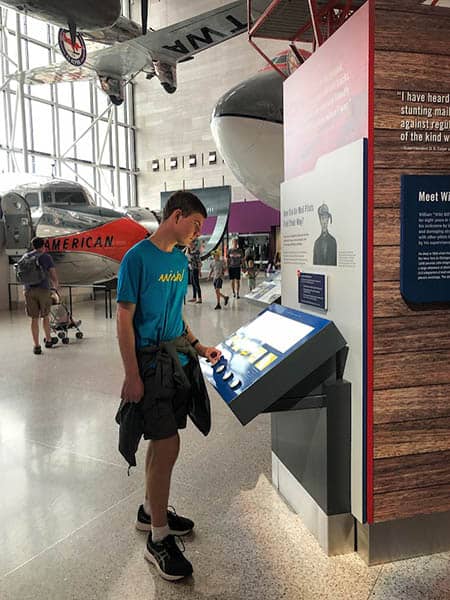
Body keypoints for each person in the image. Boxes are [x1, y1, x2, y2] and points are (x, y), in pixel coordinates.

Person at [116, 190, 221, 582]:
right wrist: (131, 374)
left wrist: (199, 346)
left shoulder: (179, 260)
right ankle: (158, 539)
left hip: (177, 361)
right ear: (176, 216)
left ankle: (149, 511)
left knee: (163, 442)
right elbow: (124, 320)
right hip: (148, 363)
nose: (197, 234)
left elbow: (175, 315)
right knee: (167, 444)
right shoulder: (136, 259)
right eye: (195, 226)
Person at [22, 237, 59, 355]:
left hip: (28, 290)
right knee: (45, 316)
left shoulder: (25, 257)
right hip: (43, 290)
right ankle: (48, 340)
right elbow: (53, 275)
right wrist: (55, 287)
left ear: (33, 246)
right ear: (43, 246)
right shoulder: (46, 257)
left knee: (34, 318)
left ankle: (36, 345)